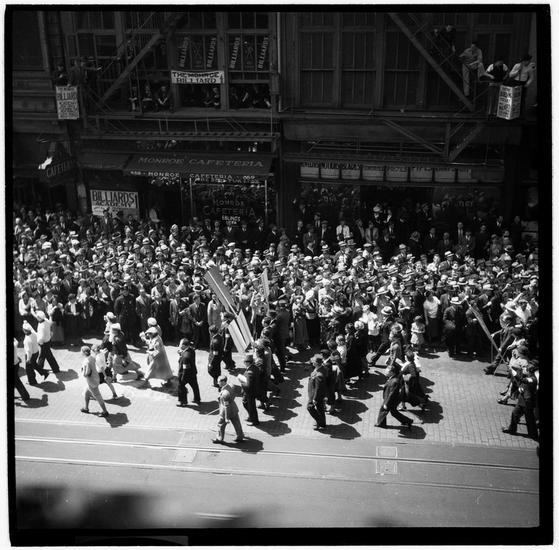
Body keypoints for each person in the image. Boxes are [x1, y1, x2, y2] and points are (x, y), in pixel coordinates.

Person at [502, 362, 538, 440]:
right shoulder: (527, 376)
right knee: (514, 413)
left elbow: (522, 380)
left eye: (525, 369)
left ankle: (533, 434)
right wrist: (520, 388)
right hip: (522, 401)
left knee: (530, 419)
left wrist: (512, 371)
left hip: (528, 403)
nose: (524, 369)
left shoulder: (532, 379)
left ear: (529, 371)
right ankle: (512, 429)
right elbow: (522, 383)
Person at [375, 363, 413, 429]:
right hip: (392, 399)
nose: (385, 372)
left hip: (391, 400)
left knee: (383, 410)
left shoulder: (394, 382)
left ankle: (381, 424)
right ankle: (407, 421)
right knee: (393, 412)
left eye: (387, 371)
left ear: (392, 373)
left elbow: (391, 394)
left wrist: (386, 403)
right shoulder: (392, 378)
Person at [213, 374, 244, 444]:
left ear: (223, 382)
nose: (217, 383)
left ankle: (219, 438)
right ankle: (240, 436)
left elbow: (226, 406)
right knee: (236, 423)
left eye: (219, 382)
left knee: (220, 424)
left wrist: (226, 418)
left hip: (226, 412)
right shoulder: (231, 385)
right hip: (234, 408)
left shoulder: (225, 394)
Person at [80, 346, 109, 417]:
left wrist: (83, 372)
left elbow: (87, 373)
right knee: (86, 393)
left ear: (84, 353)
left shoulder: (86, 361)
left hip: (91, 381)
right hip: (95, 378)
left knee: (98, 396)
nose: (80, 352)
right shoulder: (92, 357)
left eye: (81, 351)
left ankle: (105, 412)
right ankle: (86, 408)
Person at [177, 338, 201, 407]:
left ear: (184, 345)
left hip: (185, 374)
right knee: (195, 386)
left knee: (181, 387)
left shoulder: (185, 357)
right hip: (193, 372)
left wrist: (183, 379)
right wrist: (181, 353)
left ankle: (183, 401)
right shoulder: (191, 350)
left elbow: (185, 369)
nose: (179, 345)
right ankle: (197, 399)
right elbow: (186, 354)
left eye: (180, 344)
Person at [22, 321, 48, 385]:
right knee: (34, 364)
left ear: (25, 331)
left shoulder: (27, 340)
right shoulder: (33, 334)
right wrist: (25, 323)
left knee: (29, 369)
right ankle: (44, 372)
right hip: (36, 352)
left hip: (30, 355)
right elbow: (31, 329)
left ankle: (32, 381)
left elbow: (28, 351)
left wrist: (28, 359)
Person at [239, 354, 260, 425]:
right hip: (252, 391)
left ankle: (254, 421)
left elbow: (248, 385)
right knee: (246, 403)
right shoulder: (254, 368)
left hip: (250, 392)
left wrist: (241, 382)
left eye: (245, 362)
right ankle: (251, 416)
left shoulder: (250, 372)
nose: (244, 363)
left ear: (248, 362)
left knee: (251, 406)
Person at [307, 354, 327, 431]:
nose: (312, 362)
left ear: (316, 363)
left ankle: (320, 422)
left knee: (310, 407)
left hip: (315, 395)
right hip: (318, 393)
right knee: (320, 408)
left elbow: (318, 388)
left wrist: (315, 398)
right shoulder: (321, 368)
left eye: (313, 361)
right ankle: (322, 423)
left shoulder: (319, 375)